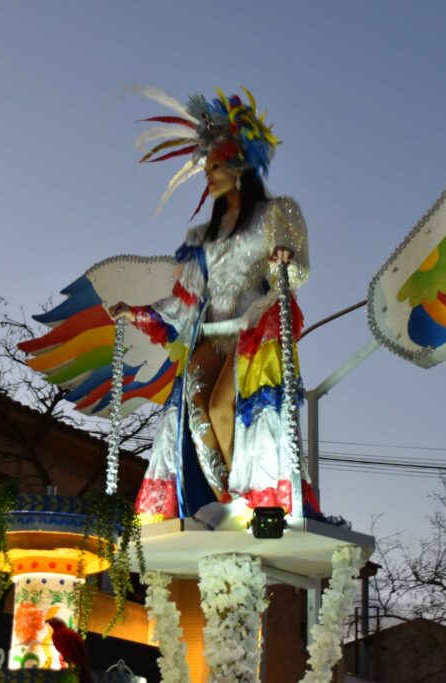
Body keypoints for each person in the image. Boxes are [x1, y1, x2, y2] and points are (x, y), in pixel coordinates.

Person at [108, 87, 320, 523]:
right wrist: (140, 313)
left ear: (241, 165)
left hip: (251, 328)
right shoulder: (201, 238)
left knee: (226, 407)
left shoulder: (278, 213)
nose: (210, 175)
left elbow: (296, 272)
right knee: (193, 408)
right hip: (212, 331)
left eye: (217, 165)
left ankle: (249, 495)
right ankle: (223, 496)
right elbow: (188, 299)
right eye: (207, 168)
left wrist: (284, 261)